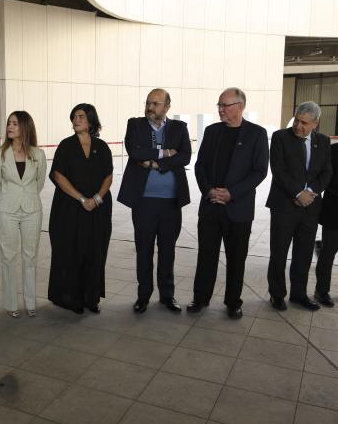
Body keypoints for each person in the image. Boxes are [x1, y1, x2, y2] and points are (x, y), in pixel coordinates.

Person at [188, 87, 269, 319]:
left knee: (236, 259)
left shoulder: (256, 134)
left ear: (240, 106)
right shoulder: (212, 131)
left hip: (238, 208)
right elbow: (200, 165)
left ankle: (233, 302)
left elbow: (260, 171)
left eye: (225, 105)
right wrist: (208, 190)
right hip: (211, 206)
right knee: (206, 256)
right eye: (219, 105)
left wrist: (231, 193)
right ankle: (200, 298)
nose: (220, 109)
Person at [117, 88, 191, 314]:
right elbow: (135, 152)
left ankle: (167, 296)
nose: (150, 107)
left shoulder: (179, 128)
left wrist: (155, 164)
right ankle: (143, 296)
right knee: (144, 250)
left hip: (171, 202)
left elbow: (185, 156)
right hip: (144, 202)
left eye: (155, 103)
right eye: (148, 103)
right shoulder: (135, 125)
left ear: (167, 106)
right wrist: (165, 154)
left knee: (168, 250)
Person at [266, 101, 332, 311]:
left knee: (303, 253)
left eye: (304, 123)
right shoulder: (280, 137)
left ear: (315, 123)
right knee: (279, 252)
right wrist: (297, 193)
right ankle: (277, 294)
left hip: (310, 207)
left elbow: (327, 172)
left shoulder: (323, 141)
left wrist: (309, 193)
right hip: (284, 206)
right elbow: (278, 170)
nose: (298, 126)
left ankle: (299, 294)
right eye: (296, 120)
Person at [48, 104, 113, 314]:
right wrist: (82, 199)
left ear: (91, 121)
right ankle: (71, 299)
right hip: (69, 209)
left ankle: (91, 298)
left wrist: (96, 199)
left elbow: (108, 176)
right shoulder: (66, 145)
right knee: (70, 251)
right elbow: (58, 175)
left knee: (94, 251)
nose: (76, 120)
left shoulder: (102, 147)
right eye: (74, 117)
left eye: (81, 116)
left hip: (98, 209)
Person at [0, 111, 47, 318]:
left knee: (30, 256)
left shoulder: (38, 154)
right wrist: (12, 196)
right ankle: (11, 304)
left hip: (32, 209)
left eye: (15, 123)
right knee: (8, 257)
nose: (10, 127)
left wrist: (26, 196)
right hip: (7, 209)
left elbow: (39, 183)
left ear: (25, 127)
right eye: (9, 123)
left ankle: (31, 302)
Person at [314, 142, 338, 307]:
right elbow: (325, 178)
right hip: (335, 211)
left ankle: (319, 245)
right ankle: (321, 291)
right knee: (328, 252)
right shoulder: (333, 151)